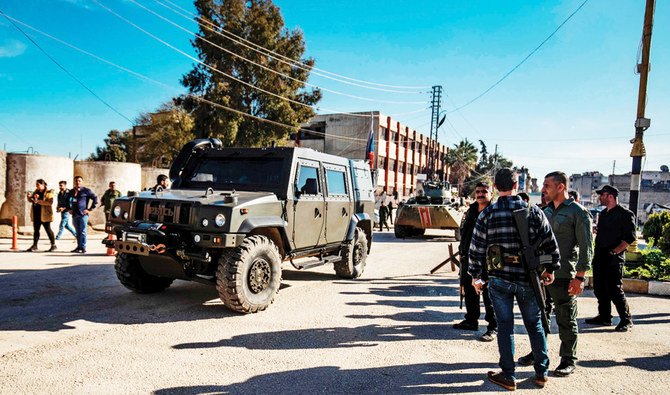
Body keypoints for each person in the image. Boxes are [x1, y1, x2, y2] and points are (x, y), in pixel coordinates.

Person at [469, 168, 560, 391]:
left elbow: (476, 249)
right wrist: (550, 268)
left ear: (495, 187)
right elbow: (550, 243)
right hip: (528, 278)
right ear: (516, 185)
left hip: (499, 278)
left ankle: (508, 375)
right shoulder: (533, 210)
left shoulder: (487, 214)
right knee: (534, 324)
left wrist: (475, 276)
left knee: (505, 326)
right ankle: (541, 372)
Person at [518, 171, 593, 377]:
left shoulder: (578, 213)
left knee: (566, 318)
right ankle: (538, 352)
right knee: (539, 316)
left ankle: (568, 359)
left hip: (564, 275)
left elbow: (586, 247)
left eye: (547, 185)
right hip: (542, 274)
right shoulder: (545, 211)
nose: (543, 190)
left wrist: (579, 277)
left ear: (561, 187)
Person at [586, 185, 635, 332]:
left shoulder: (625, 214)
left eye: (602, 195)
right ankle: (605, 316)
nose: (600, 197)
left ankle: (626, 319)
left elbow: (629, 237)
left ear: (610, 196)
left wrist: (615, 252)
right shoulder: (604, 214)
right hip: (600, 256)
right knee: (600, 288)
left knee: (615, 289)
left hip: (613, 258)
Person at [453, 181, 497, 342]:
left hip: (488, 260)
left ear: (491, 193)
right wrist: (462, 252)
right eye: (478, 191)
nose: (480, 194)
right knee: (470, 290)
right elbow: (464, 233)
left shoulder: (494, 211)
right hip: (469, 258)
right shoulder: (471, 210)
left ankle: (493, 327)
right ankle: (471, 320)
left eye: (484, 191)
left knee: (489, 294)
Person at [67, 175, 98, 253]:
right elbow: (66, 200)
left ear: (82, 182)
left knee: (83, 231)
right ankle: (78, 247)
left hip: (83, 215)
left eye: (79, 181)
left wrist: (90, 209)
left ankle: (83, 247)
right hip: (75, 215)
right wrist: (69, 209)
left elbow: (95, 198)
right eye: (76, 181)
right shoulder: (71, 191)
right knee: (77, 232)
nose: (78, 182)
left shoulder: (86, 191)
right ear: (74, 182)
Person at [25, 179, 57, 252]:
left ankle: (53, 245)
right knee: (36, 230)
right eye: (36, 185)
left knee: (48, 230)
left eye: (38, 185)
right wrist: (29, 197)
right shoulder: (36, 191)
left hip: (45, 215)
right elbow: (31, 200)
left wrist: (38, 201)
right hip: (36, 214)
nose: (37, 186)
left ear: (43, 184)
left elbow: (49, 203)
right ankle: (35, 245)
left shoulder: (49, 192)